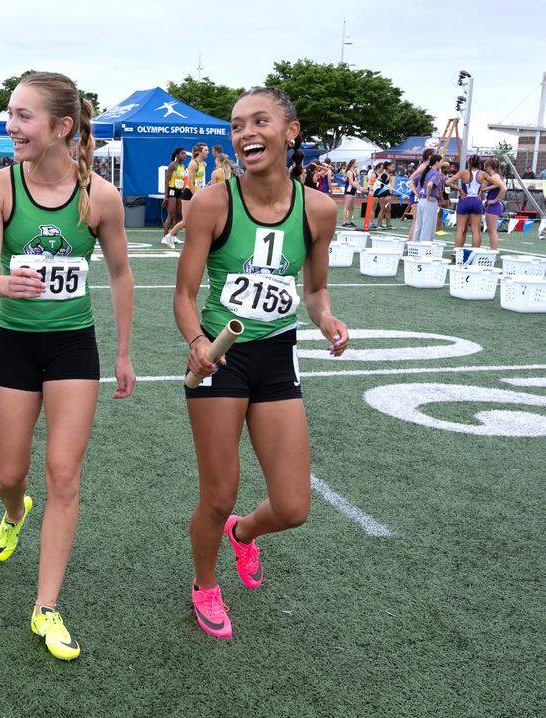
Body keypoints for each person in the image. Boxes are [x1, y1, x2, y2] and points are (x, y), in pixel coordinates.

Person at [0, 71, 135, 661]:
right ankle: (15, 511)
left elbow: (119, 273)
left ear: (62, 127)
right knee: (9, 475)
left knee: (64, 473)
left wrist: (121, 351)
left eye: (23, 117)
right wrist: (4, 283)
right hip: (13, 346)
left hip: (73, 348)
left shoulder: (101, 198)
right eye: (10, 114)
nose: (11, 126)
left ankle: (46, 605)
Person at [174, 86, 347, 639]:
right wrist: (199, 340)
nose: (246, 133)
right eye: (237, 125)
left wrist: (327, 320)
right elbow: (183, 295)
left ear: (290, 131)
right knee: (218, 490)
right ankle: (205, 583)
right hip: (220, 361)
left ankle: (242, 534)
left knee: (294, 506)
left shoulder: (319, 210)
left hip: (278, 358)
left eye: (260, 121)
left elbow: (316, 290)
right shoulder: (212, 203)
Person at [165, 142, 209, 243]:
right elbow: (190, 182)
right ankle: (169, 236)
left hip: (197, 193)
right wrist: (196, 195)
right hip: (189, 193)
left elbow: (200, 182)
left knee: (198, 218)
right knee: (186, 220)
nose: (208, 152)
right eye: (206, 150)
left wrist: (204, 189)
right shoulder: (193, 163)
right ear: (200, 152)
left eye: (207, 150)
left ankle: (195, 239)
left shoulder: (204, 164)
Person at [450, 155, 487, 253]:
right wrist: (482, 191)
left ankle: (456, 253)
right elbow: (497, 183)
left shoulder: (463, 172)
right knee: (476, 231)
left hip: (464, 200)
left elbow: (448, 182)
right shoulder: (482, 174)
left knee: (460, 229)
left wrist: (460, 189)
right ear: (479, 163)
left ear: (469, 162)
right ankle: (475, 254)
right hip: (476, 201)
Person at [411, 154, 444, 244]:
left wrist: (416, 193)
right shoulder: (437, 174)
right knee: (428, 226)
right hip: (429, 201)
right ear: (437, 162)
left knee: (419, 225)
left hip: (421, 201)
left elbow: (411, 182)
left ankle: (415, 246)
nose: (442, 163)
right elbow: (430, 184)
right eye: (441, 161)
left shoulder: (426, 171)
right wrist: (428, 195)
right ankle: (424, 249)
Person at [161, 147, 188, 246]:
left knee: (178, 215)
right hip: (172, 191)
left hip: (180, 191)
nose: (184, 155)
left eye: (185, 154)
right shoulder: (173, 165)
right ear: (177, 155)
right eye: (182, 153)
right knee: (171, 214)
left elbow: (184, 180)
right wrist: (166, 196)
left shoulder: (183, 166)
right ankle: (165, 237)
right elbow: (167, 181)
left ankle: (174, 236)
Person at [481, 157, 507, 251]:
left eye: (485, 165)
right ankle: (493, 250)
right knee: (492, 231)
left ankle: (493, 251)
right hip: (492, 205)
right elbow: (496, 185)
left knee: (492, 231)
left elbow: (504, 188)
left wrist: (495, 200)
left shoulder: (495, 176)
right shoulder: (494, 176)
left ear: (489, 166)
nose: (483, 167)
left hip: (494, 205)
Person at [372, 161, 394, 229]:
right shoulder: (384, 174)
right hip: (383, 194)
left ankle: (388, 225)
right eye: (392, 167)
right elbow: (378, 183)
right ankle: (378, 225)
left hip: (387, 193)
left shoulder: (387, 174)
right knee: (383, 209)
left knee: (388, 210)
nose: (393, 168)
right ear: (388, 167)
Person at [340, 160, 360, 227]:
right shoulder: (349, 172)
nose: (357, 164)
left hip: (353, 190)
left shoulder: (354, 172)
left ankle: (349, 221)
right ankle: (344, 222)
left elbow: (355, 181)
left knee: (352, 207)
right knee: (346, 207)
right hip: (349, 190)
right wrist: (360, 189)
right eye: (356, 163)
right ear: (352, 164)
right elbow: (351, 182)